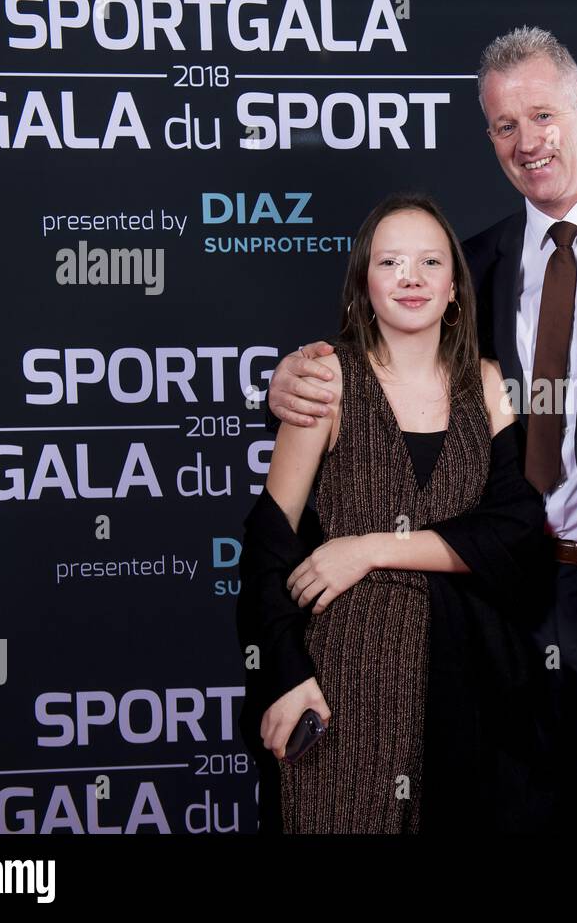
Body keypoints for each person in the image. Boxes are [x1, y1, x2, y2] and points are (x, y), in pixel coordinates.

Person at [266, 26, 577, 833]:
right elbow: (386, 370)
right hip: (508, 610)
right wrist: (295, 372)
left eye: (543, 116)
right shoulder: (475, 266)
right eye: (505, 125)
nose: (527, 141)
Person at [236, 191, 554, 833]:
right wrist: (284, 676)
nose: (411, 279)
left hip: (471, 689)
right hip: (344, 686)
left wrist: (368, 547)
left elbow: (516, 532)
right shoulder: (324, 382)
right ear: (362, 285)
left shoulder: (490, 385)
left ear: (456, 288)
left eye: (431, 263)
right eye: (390, 263)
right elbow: (267, 542)